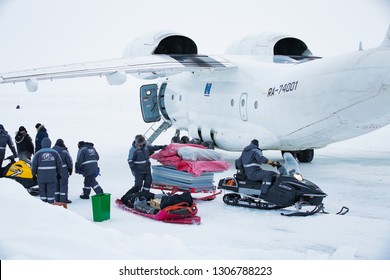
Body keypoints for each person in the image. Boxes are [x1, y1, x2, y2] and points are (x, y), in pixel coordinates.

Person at [31, 137, 63, 204]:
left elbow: (33, 165)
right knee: (51, 191)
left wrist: (33, 174)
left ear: (42, 144)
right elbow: (59, 164)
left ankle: (43, 206)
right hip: (52, 176)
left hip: (41, 176)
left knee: (42, 191)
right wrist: (59, 173)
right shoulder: (55, 153)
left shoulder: (38, 153)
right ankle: (50, 205)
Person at [53, 139, 73, 203]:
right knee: (63, 185)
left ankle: (57, 199)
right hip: (63, 170)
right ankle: (63, 200)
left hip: (54, 170)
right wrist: (70, 169)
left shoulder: (52, 151)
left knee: (56, 185)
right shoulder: (64, 151)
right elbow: (69, 161)